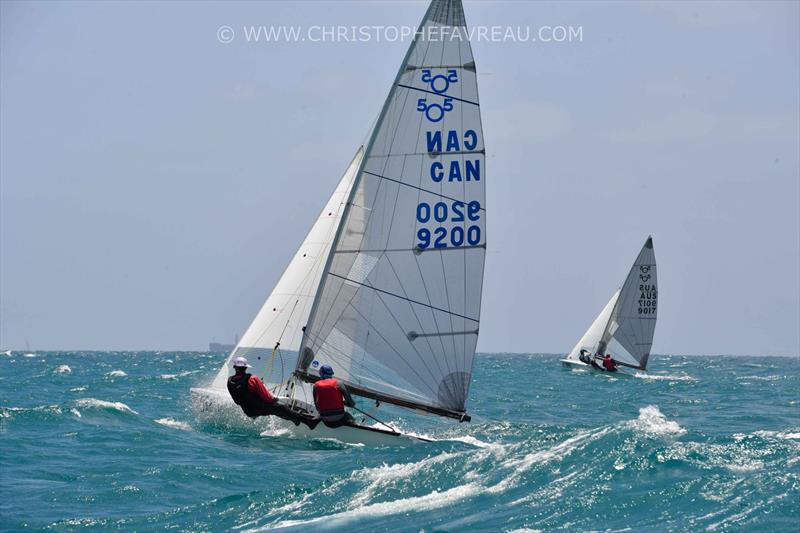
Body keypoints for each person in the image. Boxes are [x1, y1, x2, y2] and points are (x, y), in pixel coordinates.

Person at [227, 356, 318, 429]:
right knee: (280, 407)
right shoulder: (252, 378)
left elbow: (237, 400)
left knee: (275, 410)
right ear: (246, 368)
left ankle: (295, 419)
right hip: (258, 408)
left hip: (248, 411)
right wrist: (275, 398)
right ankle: (309, 422)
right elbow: (267, 398)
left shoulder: (230, 382)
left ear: (235, 367)